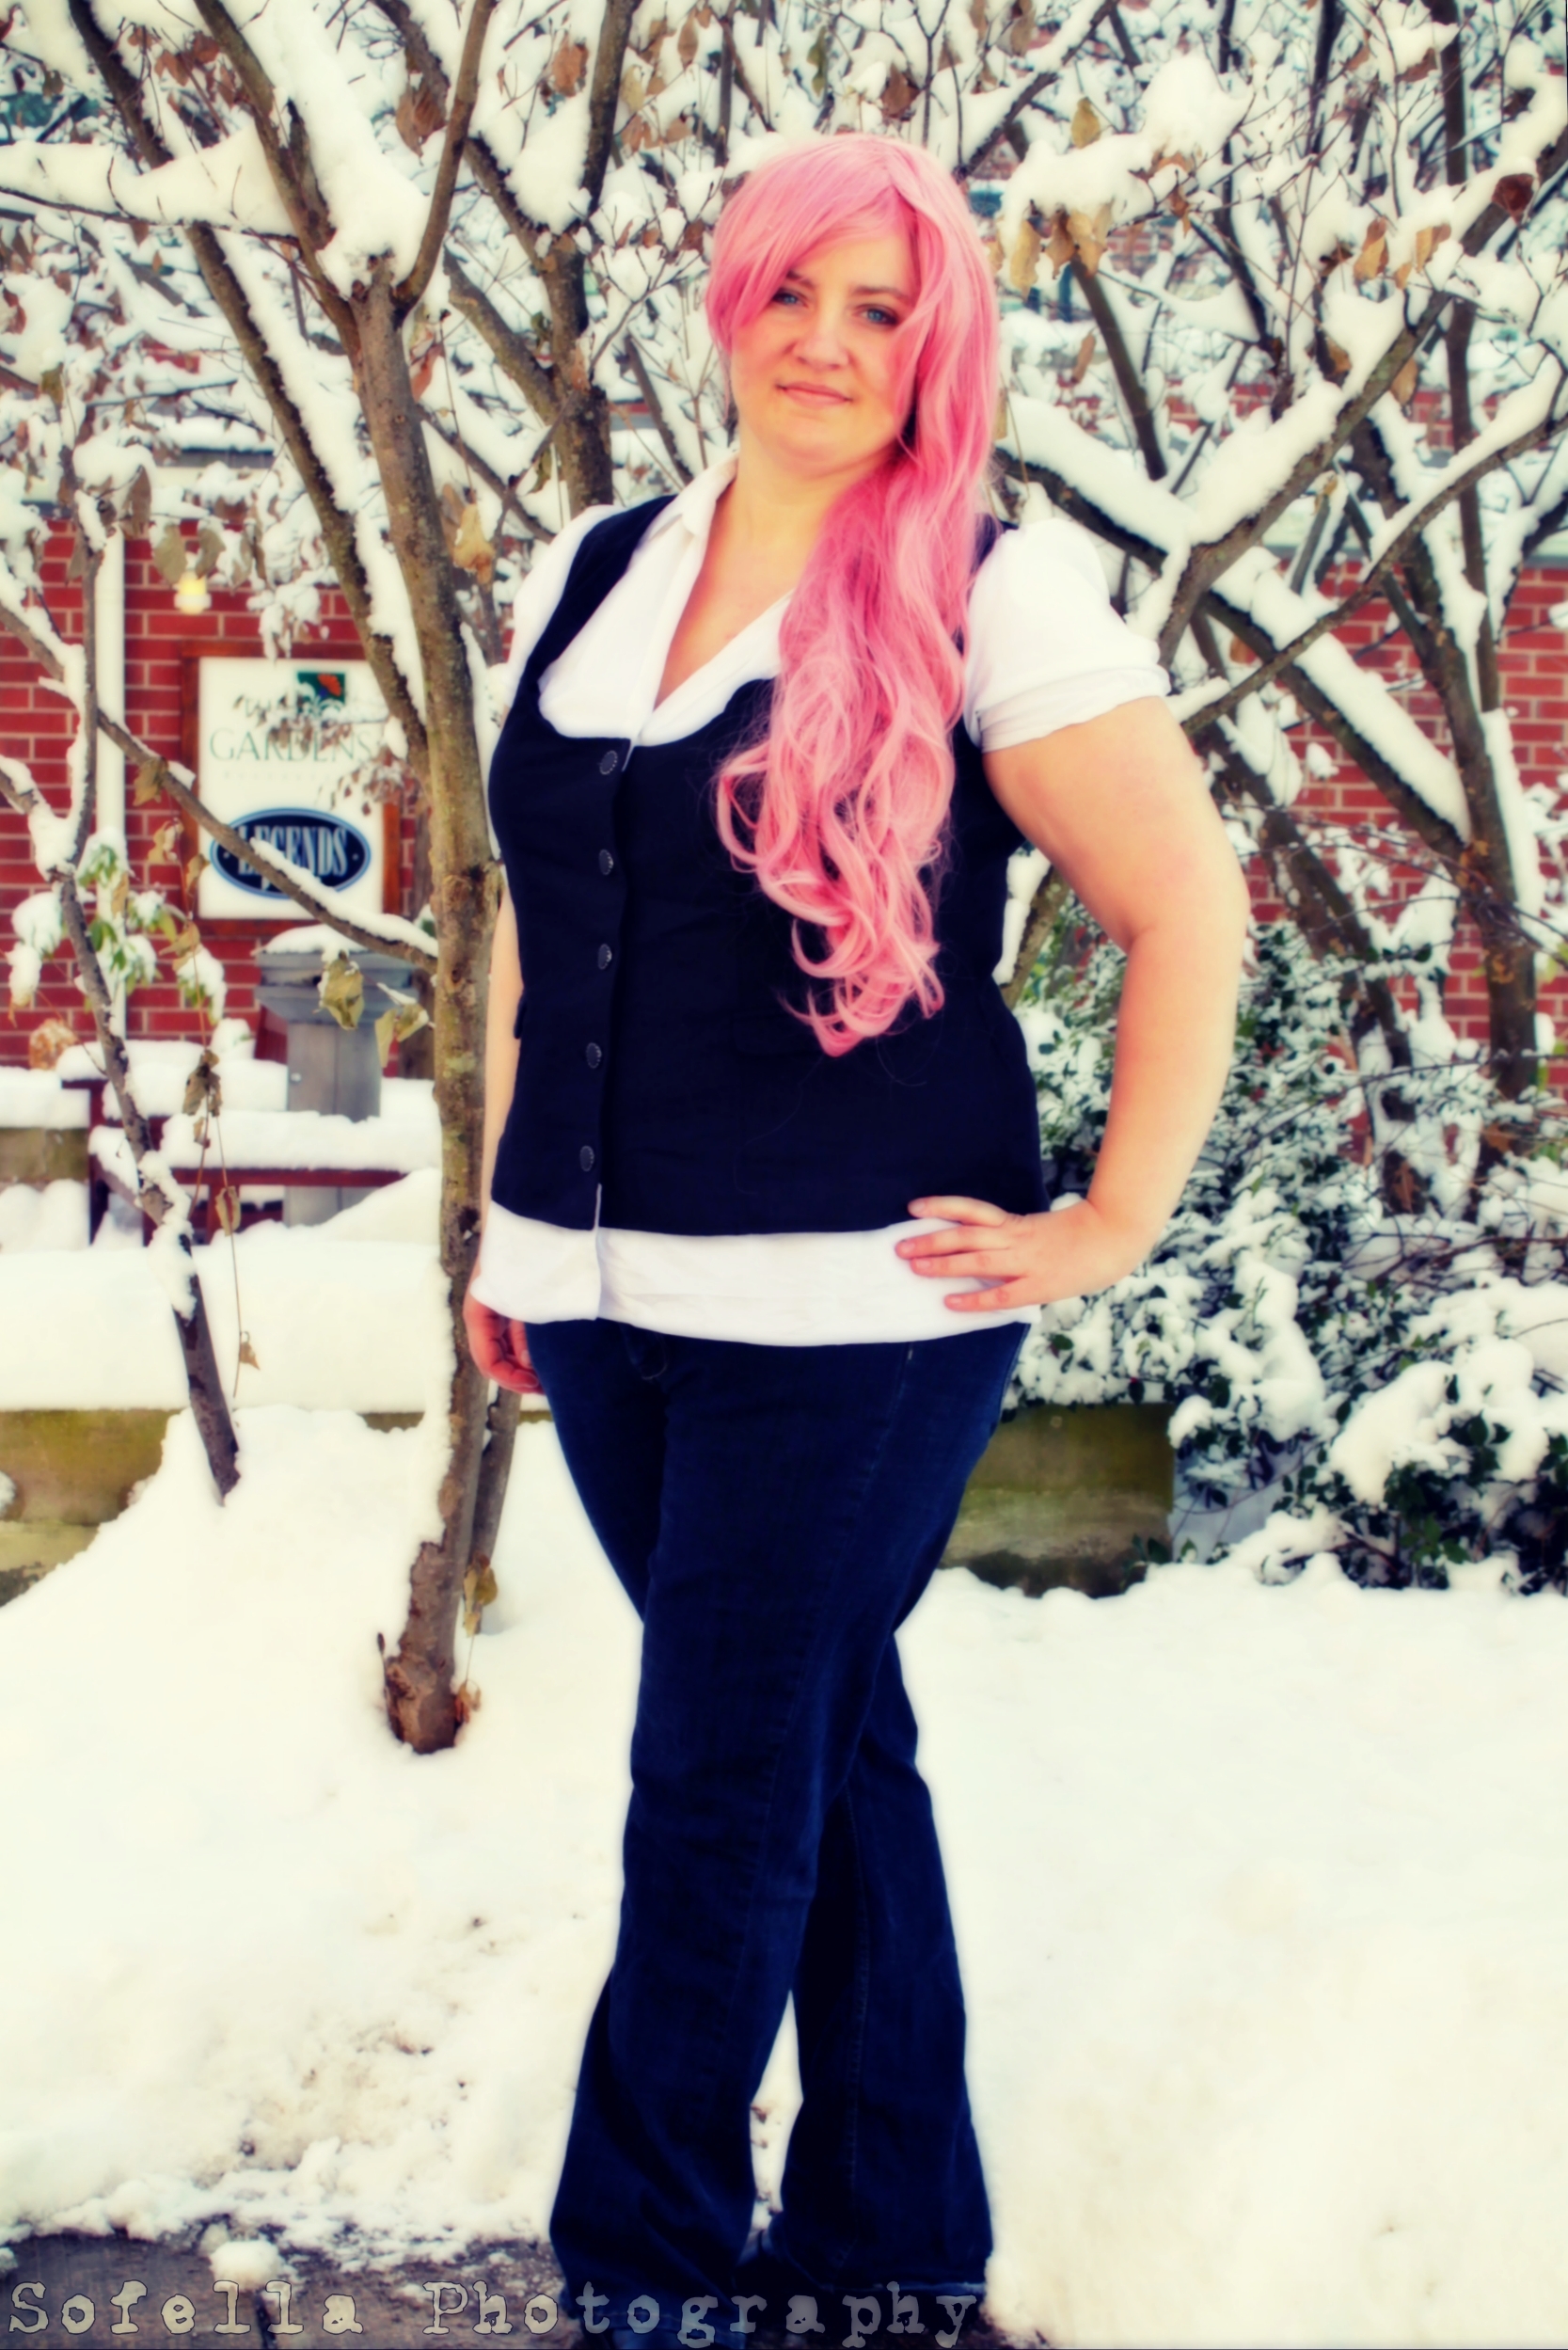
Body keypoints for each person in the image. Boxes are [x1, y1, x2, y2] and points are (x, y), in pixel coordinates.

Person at [464, 134, 1249, 2346]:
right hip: (606, 1293)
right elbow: (541, 915)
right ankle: (896, 2221)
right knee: (820, 1734)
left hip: (855, 1306)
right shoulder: (593, 569)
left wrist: (1110, 1218)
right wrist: (515, 1224)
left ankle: (644, 2268)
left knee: (720, 1773)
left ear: (939, 344)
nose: (826, 342)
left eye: (881, 308)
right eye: (791, 291)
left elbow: (1187, 906)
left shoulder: (996, 591)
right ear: (729, 300)